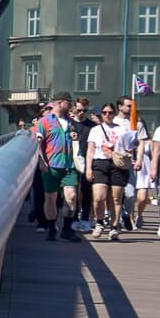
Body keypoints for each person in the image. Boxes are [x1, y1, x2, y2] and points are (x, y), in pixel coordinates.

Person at [85, 102, 137, 240]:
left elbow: (130, 147)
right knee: (98, 197)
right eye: (104, 113)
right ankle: (100, 222)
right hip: (100, 163)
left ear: (114, 114)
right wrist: (88, 168)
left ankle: (114, 227)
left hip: (117, 165)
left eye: (110, 113)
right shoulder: (95, 130)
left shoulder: (121, 130)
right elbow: (90, 150)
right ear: (101, 114)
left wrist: (128, 151)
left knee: (116, 198)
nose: (107, 115)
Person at [34, 92, 81, 242]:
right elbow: (38, 143)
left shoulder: (72, 122)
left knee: (71, 196)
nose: (71, 105)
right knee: (51, 198)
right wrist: (42, 161)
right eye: (69, 102)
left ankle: (67, 229)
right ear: (60, 103)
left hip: (69, 165)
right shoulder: (44, 122)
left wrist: (75, 138)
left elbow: (76, 140)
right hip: (51, 166)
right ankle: (51, 227)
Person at [115, 95, 149, 230]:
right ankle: (115, 222)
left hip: (130, 163)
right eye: (129, 105)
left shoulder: (137, 123)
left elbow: (141, 143)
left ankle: (126, 214)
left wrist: (139, 159)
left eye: (132, 106)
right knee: (116, 195)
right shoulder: (114, 122)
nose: (131, 108)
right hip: (115, 162)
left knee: (130, 194)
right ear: (120, 106)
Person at [70, 98, 96, 231]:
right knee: (73, 192)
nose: (81, 113)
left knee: (86, 191)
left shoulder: (92, 126)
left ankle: (85, 219)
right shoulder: (70, 124)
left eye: (84, 110)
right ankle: (73, 219)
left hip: (87, 161)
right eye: (78, 110)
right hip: (71, 162)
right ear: (74, 109)